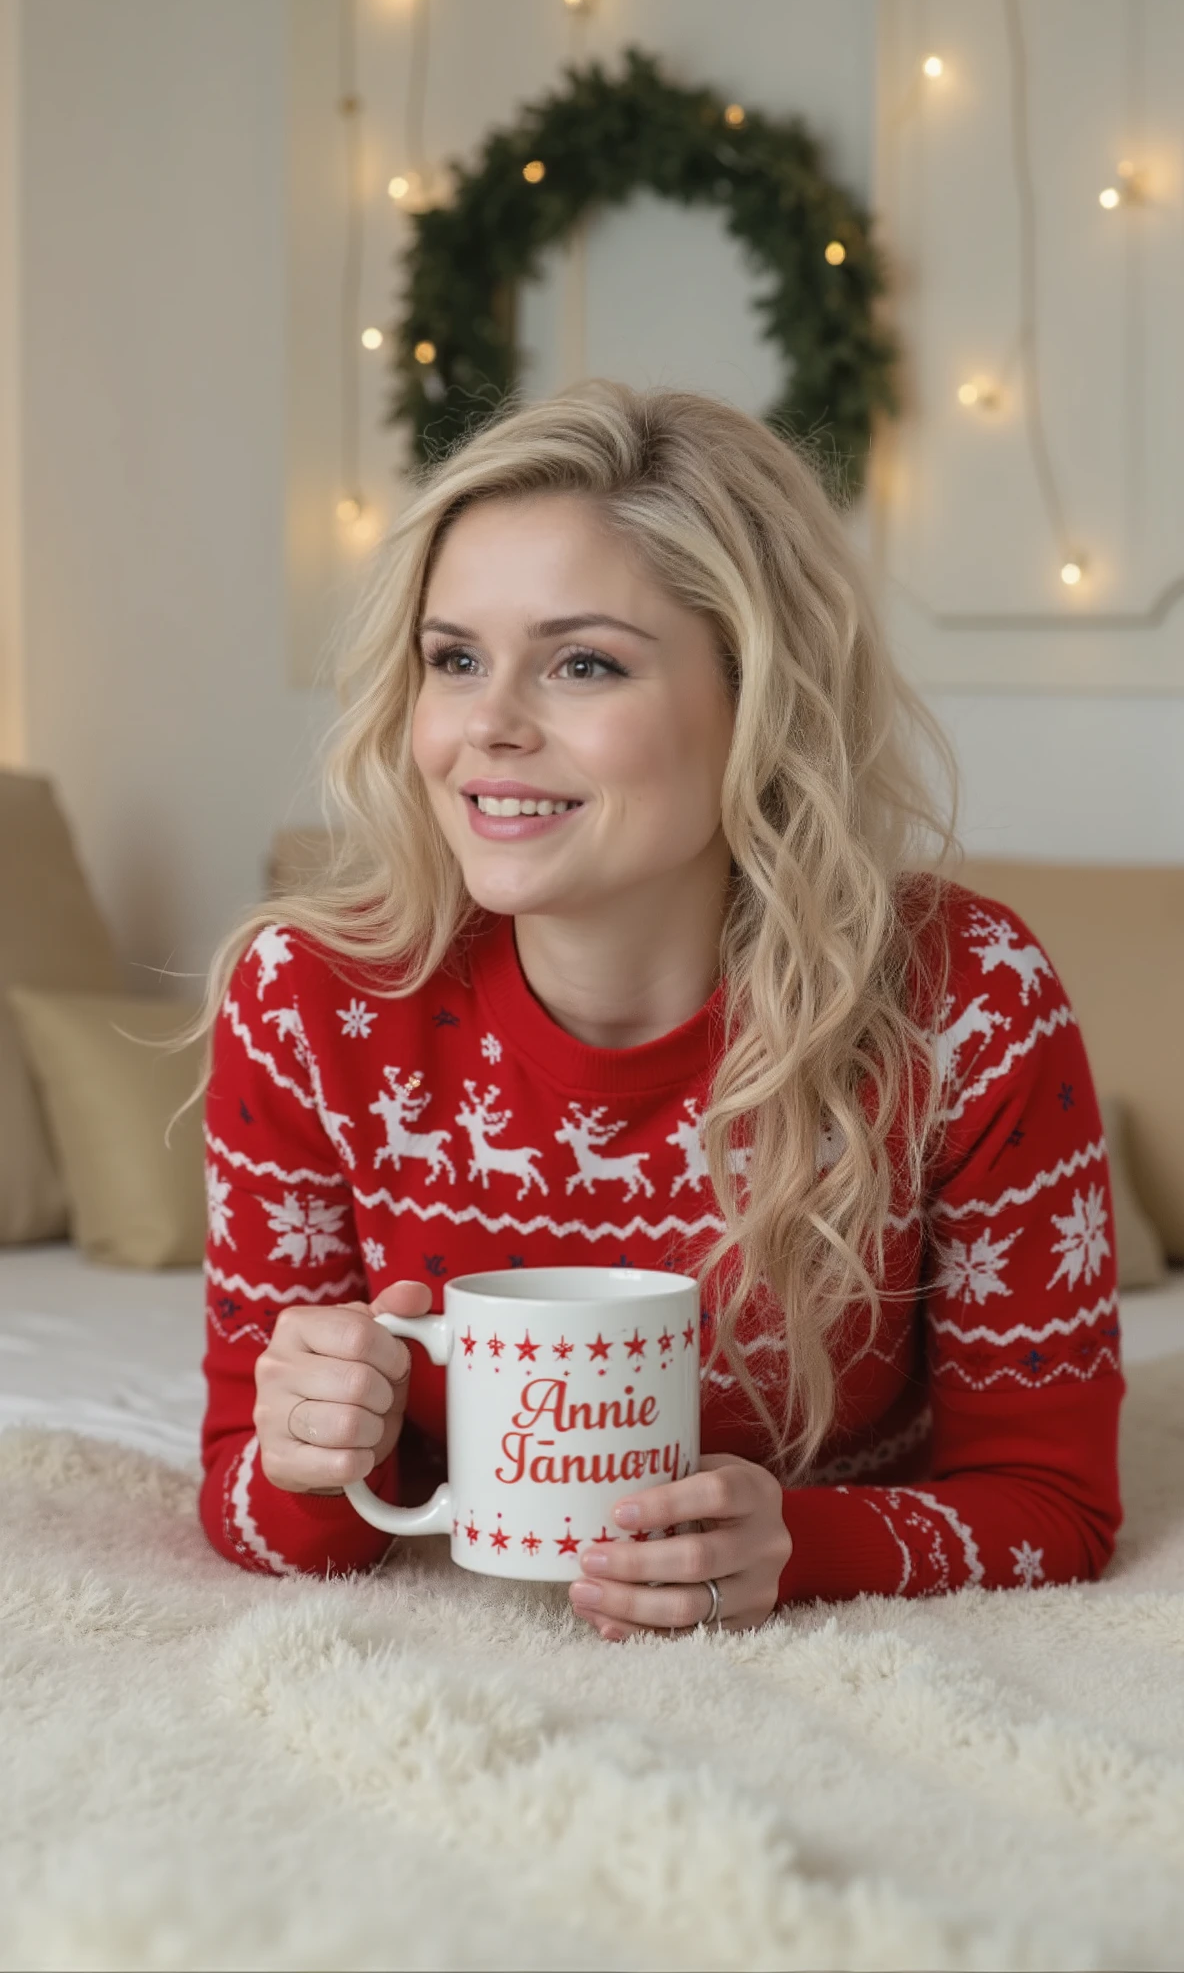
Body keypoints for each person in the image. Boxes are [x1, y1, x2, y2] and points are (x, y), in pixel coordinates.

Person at [190, 382, 1122, 1638]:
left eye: (582, 663)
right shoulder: (306, 1000)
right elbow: (247, 1506)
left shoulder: (969, 1003)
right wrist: (316, 1460)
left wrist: (800, 1544)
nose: (487, 725)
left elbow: (1055, 1501)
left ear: (756, 699)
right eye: (453, 657)